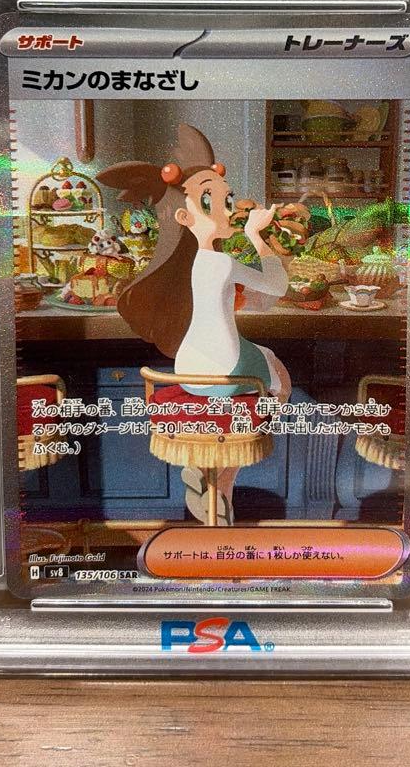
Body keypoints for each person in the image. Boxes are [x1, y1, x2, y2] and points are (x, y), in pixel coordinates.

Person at [98, 124, 290, 523]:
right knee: (279, 381)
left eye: (226, 198)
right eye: (210, 201)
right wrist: (256, 234)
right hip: (224, 373)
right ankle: (223, 482)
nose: (226, 208)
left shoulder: (190, 262)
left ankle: (210, 475)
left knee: (263, 357)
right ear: (184, 216)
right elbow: (278, 285)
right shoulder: (220, 262)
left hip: (188, 371)